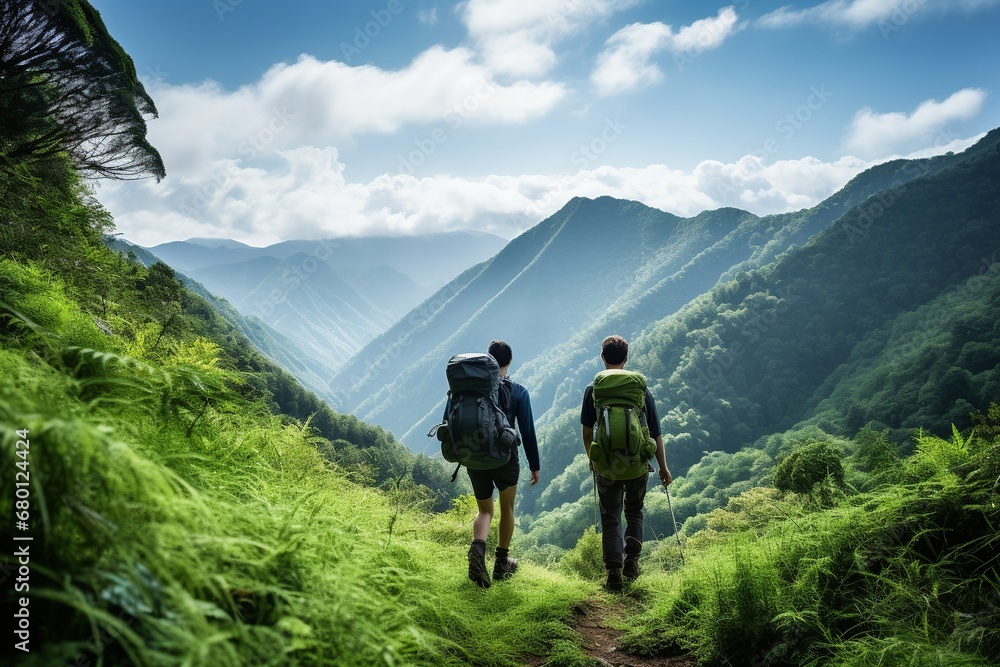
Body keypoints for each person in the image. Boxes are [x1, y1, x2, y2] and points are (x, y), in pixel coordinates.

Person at [580, 335, 672, 591]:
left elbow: (587, 433)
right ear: (626, 359)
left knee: (610, 519)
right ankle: (632, 562)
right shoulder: (639, 388)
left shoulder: (593, 389)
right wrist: (663, 467)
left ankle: (613, 574)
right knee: (634, 513)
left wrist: (594, 458)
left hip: (608, 465)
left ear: (602, 357)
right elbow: (655, 432)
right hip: (637, 464)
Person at [463, 340, 540, 588]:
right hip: (506, 459)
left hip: (475, 457)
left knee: (485, 510)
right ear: (509, 362)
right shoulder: (518, 391)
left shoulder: (470, 388)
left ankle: (477, 551)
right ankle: (501, 562)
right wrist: (535, 465)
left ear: (488, 360)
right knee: (507, 509)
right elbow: (527, 432)